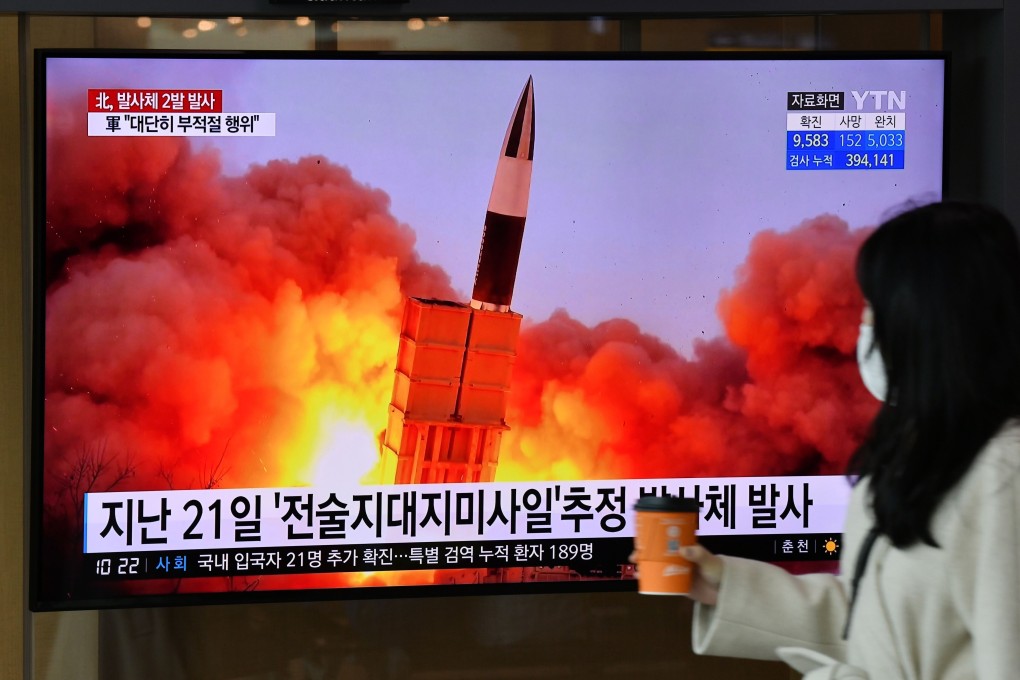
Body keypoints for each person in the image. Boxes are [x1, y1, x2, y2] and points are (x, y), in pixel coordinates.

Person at [680, 201, 1020, 679]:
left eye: (875, 310)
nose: (864, 331)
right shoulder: (919, 457)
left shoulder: (1005, 479)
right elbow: (874, 616)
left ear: (927, 323)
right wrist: (724, 586)